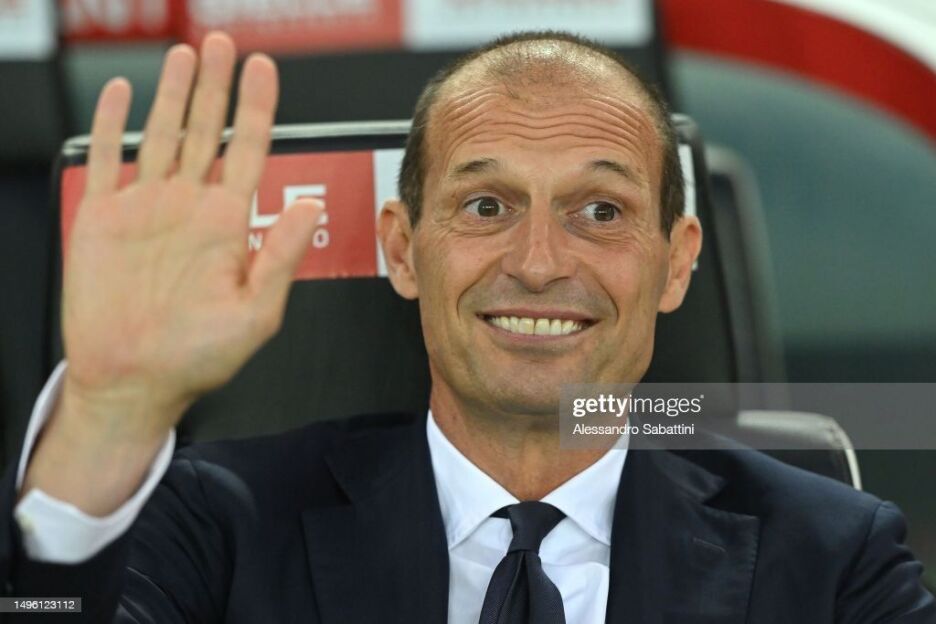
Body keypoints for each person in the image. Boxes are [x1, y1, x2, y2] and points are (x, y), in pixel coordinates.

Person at [1, 30, 933, 623]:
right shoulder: (221, 523)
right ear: (403, 250)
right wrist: (109, 417)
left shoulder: (831, 554)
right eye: (486, 206)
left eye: (600, 211)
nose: (539, 261)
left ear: (677, 262)